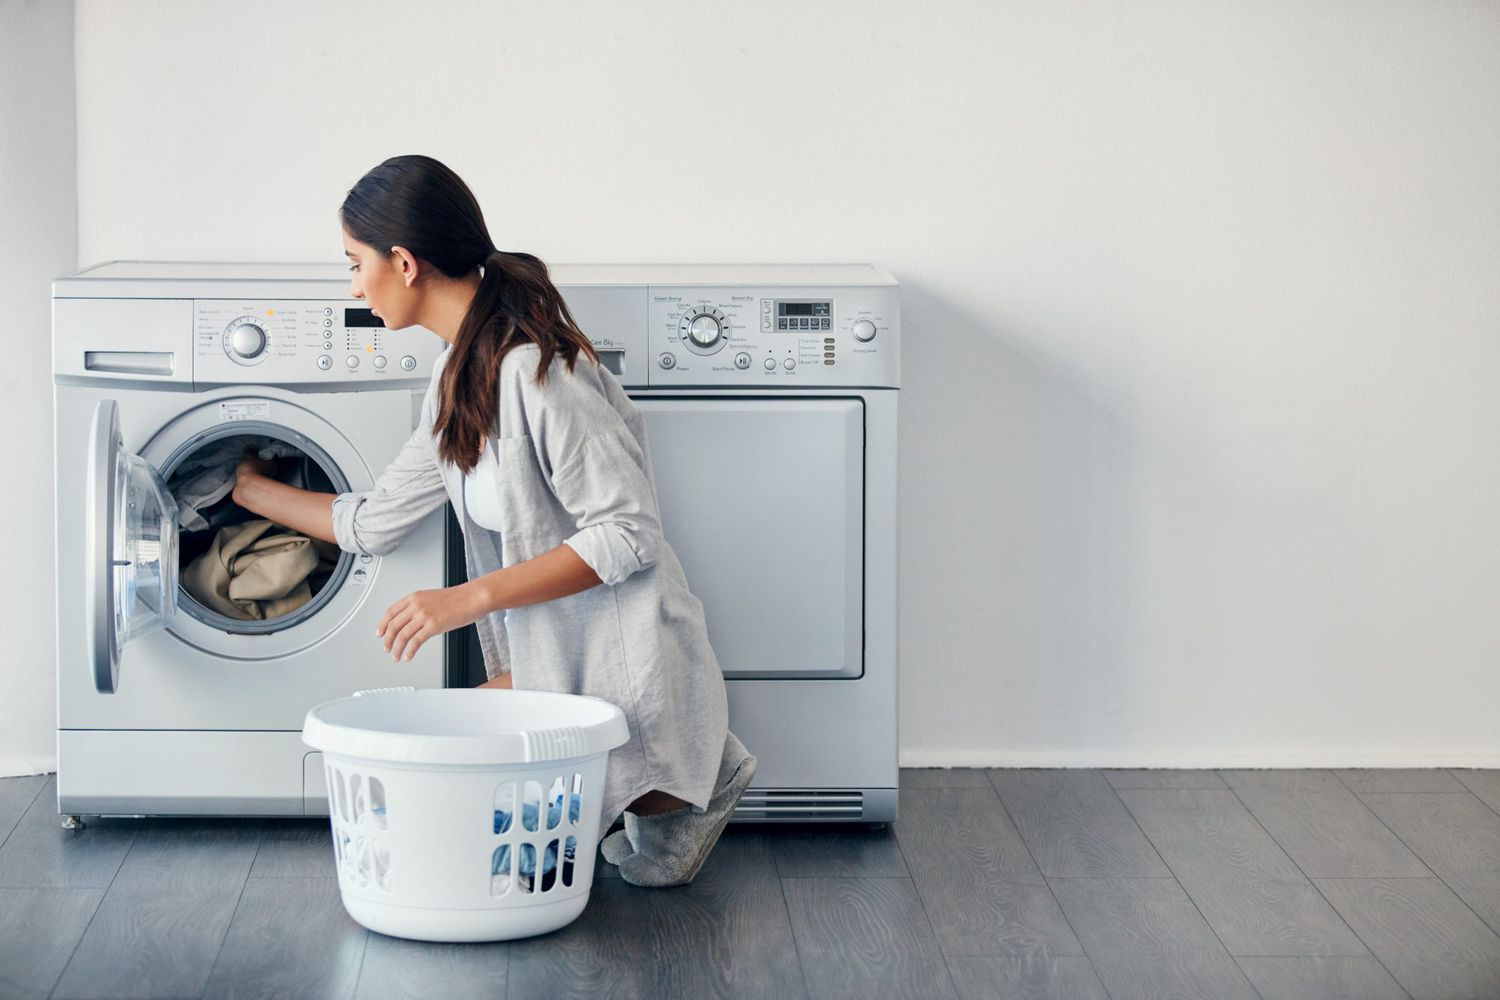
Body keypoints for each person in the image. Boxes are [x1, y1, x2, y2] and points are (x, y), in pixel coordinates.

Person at [231, 154, 756, 887]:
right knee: (443, 800)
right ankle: (676, 777)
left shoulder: (541, 374)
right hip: (555, 658)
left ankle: (693, 780)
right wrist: (248, 489)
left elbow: (629, 533)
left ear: (404, 263)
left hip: (617, 654)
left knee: (462, 818)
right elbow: (375, 520)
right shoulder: (456, 378)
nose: (354, 286)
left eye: (354, 264)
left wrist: (468, 598)